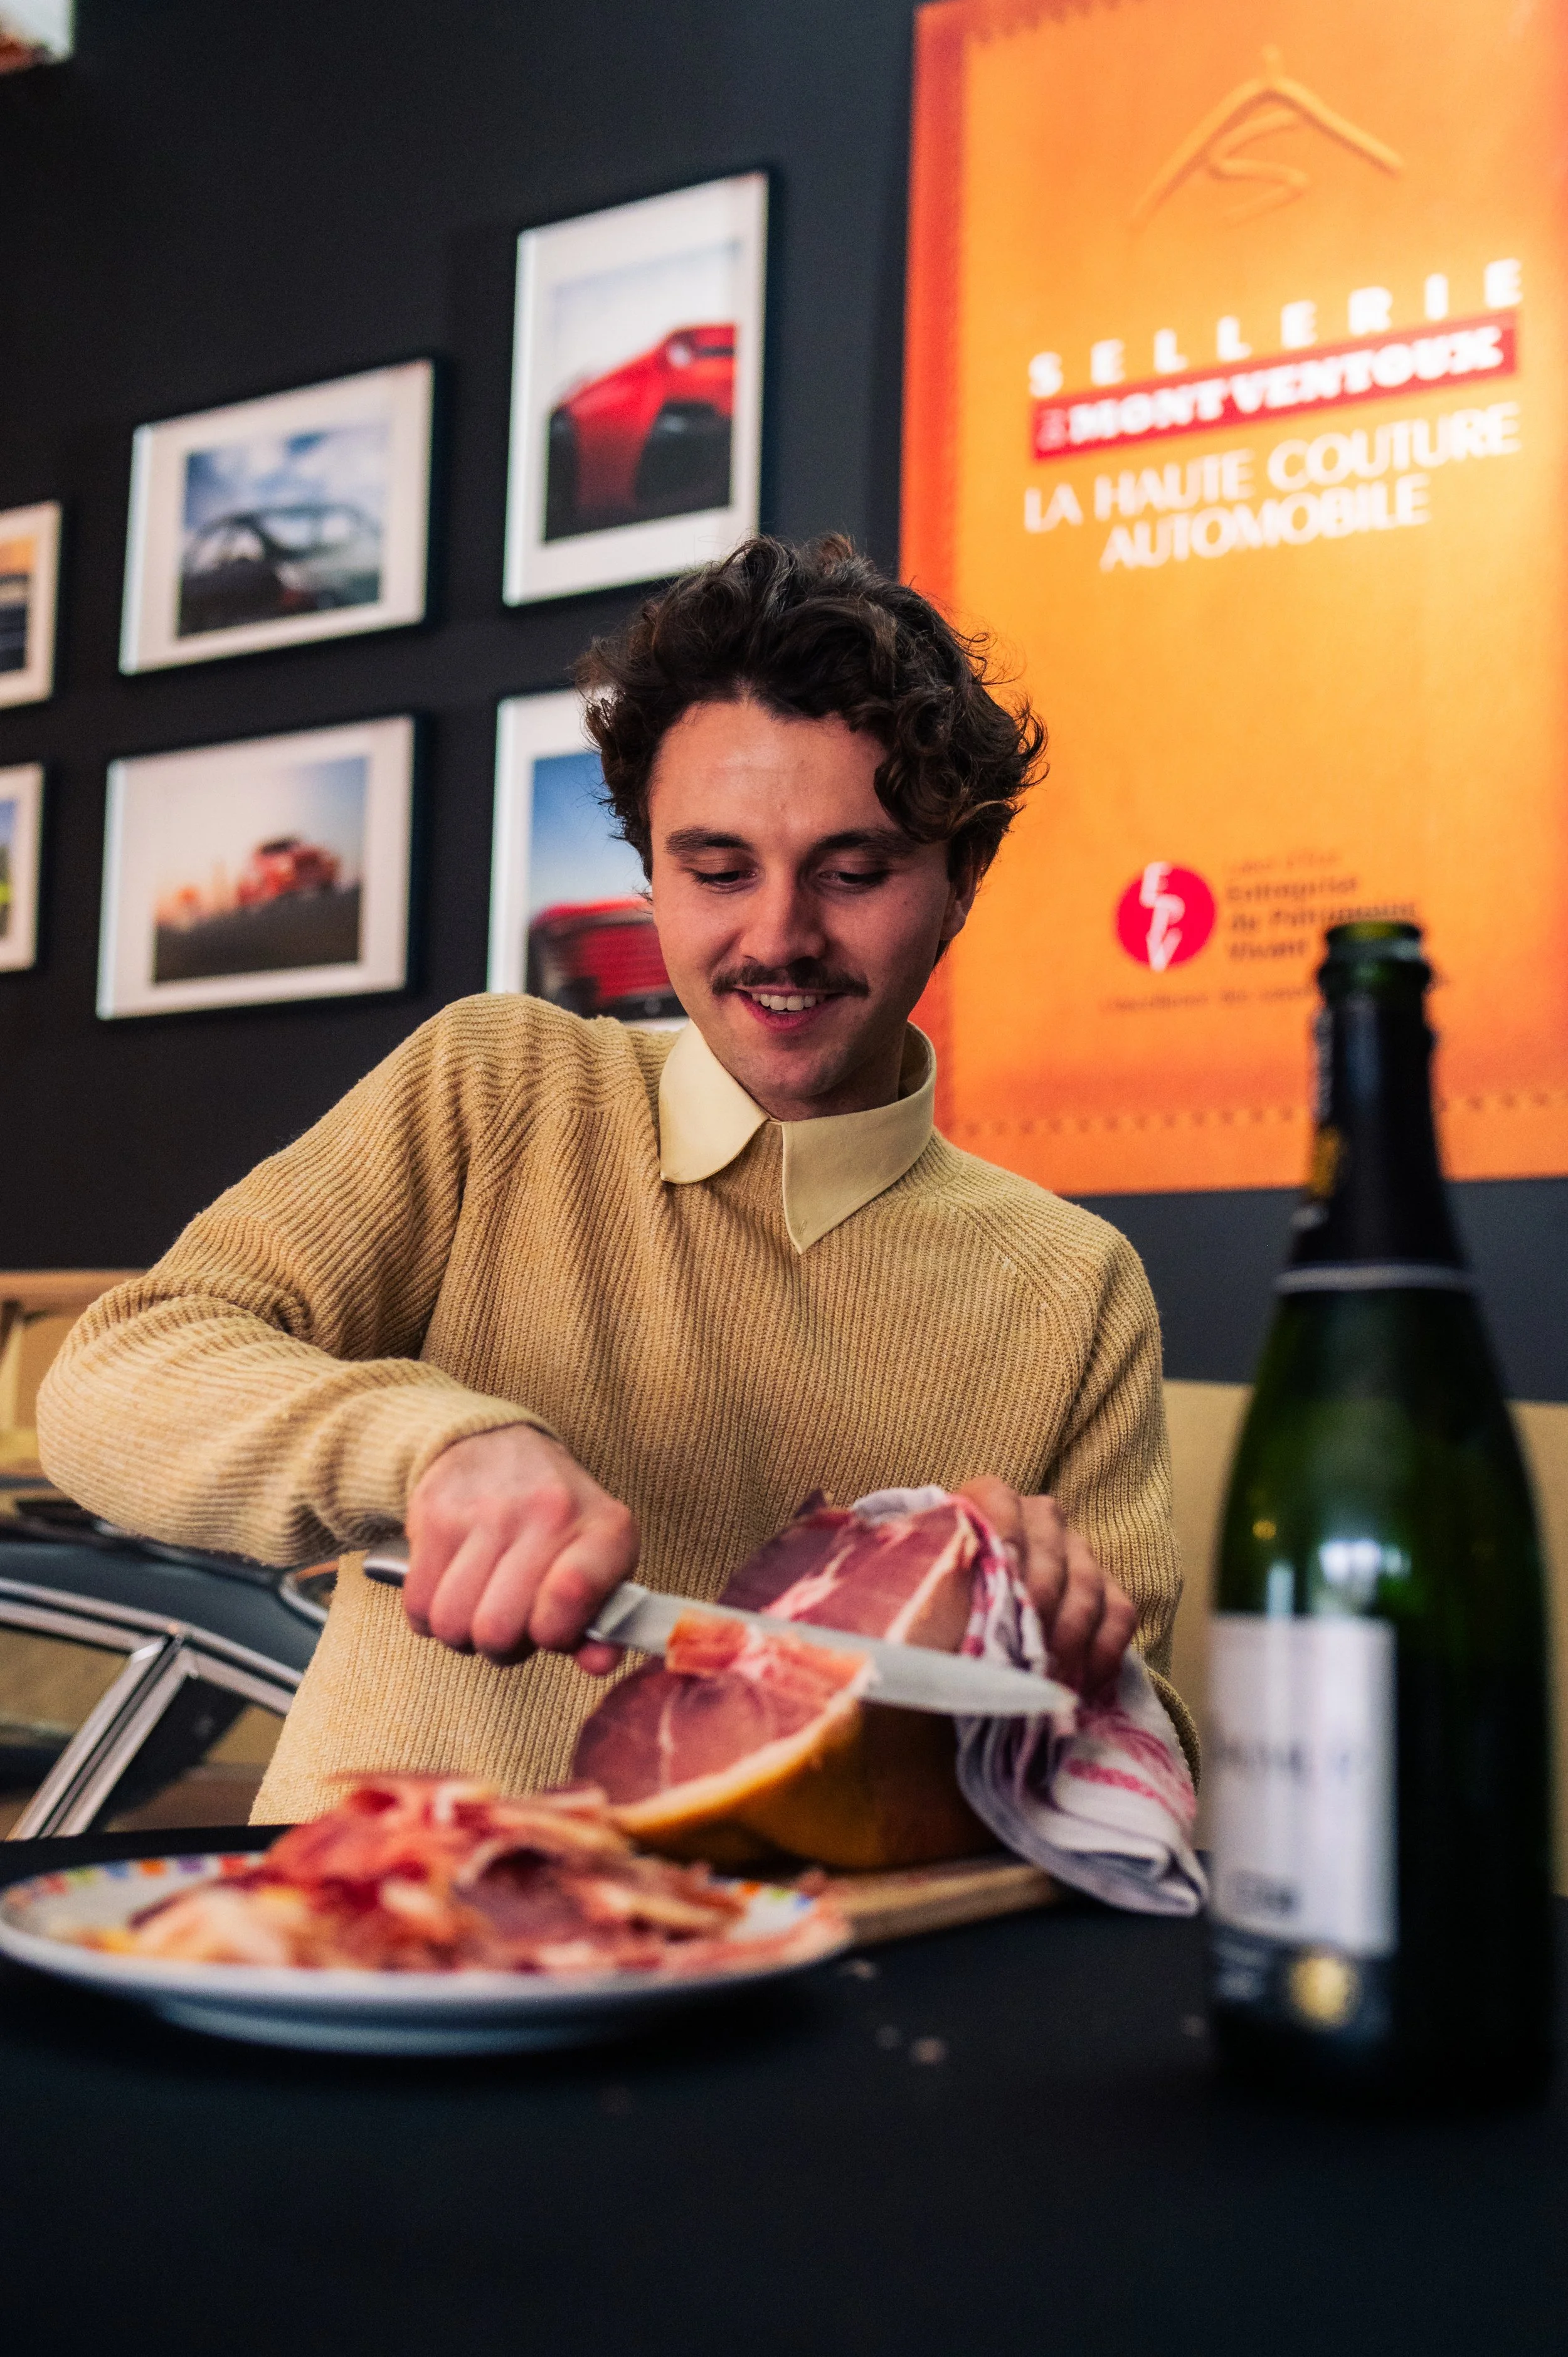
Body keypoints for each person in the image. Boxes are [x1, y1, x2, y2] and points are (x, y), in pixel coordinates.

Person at [38, 536, 1194, 1820]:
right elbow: (111, 1385)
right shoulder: (498, 1086)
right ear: (650, 876)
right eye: (713, 871)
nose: (776, 938)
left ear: (960, 882)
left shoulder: (1071, 1285)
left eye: (852, 872)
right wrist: (433, 1446)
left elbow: (1129, 1790)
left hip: (801, 1983)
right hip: (369, 1944)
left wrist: (1067, 1661)